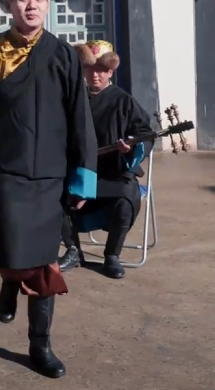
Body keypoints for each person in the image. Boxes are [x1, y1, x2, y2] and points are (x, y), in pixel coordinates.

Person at [0, 0, 97, 379]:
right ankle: (9, 280)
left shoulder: (64, 54)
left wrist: (82, 176)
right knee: (13, 246)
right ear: (8, 4)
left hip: (51, 172)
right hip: (4, 169)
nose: (30, 5)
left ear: (48, 5)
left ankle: (40, 343)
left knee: (44, 260)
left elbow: (80, 118)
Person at [58, 41, 154, 279]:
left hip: (113, 172)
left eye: (101, 70)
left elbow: (145, 133)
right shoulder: (73, 98)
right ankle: (73, 250)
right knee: (52, 193)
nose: (95, 75)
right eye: (90, 69)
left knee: (125, 197)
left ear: (110, 72)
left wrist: (130, 147)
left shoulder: (124, 101)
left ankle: (112, 255)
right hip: (79, 171)